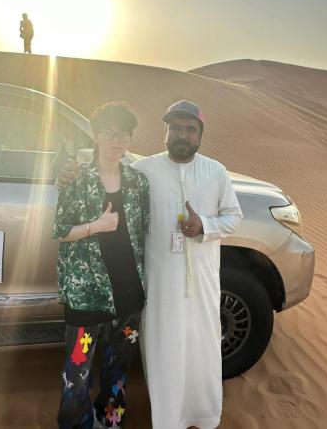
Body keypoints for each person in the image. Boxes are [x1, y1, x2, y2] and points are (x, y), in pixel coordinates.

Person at [134, 100, 243, 429]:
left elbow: (233, 217)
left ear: (200, 135)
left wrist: (205, 225)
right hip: (161, 283)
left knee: (202, 347)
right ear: (165, 132)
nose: (183, 135)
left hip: (203, 283)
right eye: (176, 128)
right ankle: (168, 419)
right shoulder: (143, 171)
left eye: (190, 129)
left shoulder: (215, 171)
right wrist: (67, 175)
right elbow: (108, 185)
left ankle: (204, 415)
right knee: (163, 348)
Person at [52, 101, 150, 429]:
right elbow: (61, 231)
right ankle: (76, 423)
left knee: (119, 365)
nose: (116, 140)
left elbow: (146, 228)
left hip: (128, 293)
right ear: (95, 135)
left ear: (130, 138)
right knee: (77, 369)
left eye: (123, 134)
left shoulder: (138, 182)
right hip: (87, 294)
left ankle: (111, 420)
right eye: (109, 132)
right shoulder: (76, 179)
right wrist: (96, 226)